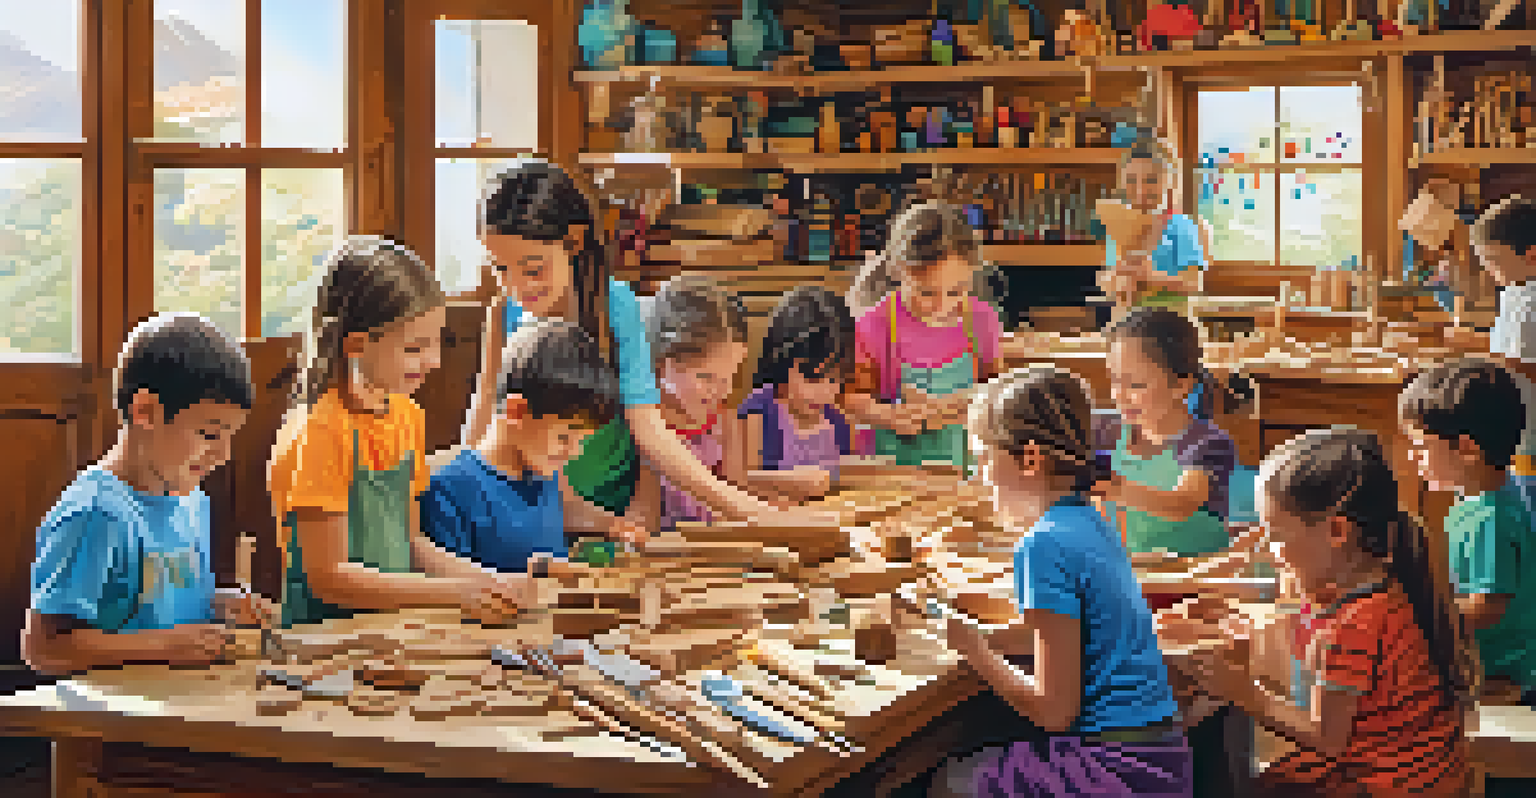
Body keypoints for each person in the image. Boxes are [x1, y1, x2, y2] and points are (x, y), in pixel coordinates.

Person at [462, 161, 791, 526]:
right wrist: (460, 490)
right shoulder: (503, 313)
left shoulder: (615, 305)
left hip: (616, 511)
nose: (517, 287)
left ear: (574, 242)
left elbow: (648, 427)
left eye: (533, 269)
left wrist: (750, 511)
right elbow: (483, 418)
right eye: (500, 268)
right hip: (541, 510)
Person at [929, 366, 1191, 798]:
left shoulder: (1043, 545)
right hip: (1160, 759)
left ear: (1030, 459)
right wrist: (984, 637)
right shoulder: (1090, 520)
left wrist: (977, 652)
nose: (980, 476)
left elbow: (1054, 712)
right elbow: (1068, 634)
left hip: (1115, 769)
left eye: (983, 458)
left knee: (950, 783)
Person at [1190, 427, 1475, 798]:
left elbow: (1326, 737)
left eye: (1275, 535)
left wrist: (1242, 690)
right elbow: (1295, 603)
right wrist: (1229, 610)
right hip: (1414, 776)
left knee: (1233, 774)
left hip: (1389, 786)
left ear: (1338, 531)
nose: (1270, 552)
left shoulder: (1357, 622)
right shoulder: (1377, 589)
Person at [268, 236, 528, 628]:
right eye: (414, 349)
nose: (433, 361)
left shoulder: (407, 417)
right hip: (321, 642)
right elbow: (329, 578)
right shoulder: (320, 430)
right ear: (356, 345)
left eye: (437, 343)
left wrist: (492, 582)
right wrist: (457, 595)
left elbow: (412, 545)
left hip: (390, 634)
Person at [24, 313, 271, 675]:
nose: (223, 455)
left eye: (230, 436)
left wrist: (219, 603)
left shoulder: (192, 500)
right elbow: (45, 647)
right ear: (145, 411)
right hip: (116, 709)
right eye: (209, 434)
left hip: (181, 698)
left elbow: (151, 602)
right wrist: (164, 646)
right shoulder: (96, 514)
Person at [420, 320, 646, 575]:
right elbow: (450, 588)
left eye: (582, 441)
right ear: (516, 412)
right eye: (564, 437)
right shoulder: (450, 491)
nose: (574, 452)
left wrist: (613, 525)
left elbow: (549, 518)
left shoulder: (542, 472)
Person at [1400, 358, 1536, 704]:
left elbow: (1486, 608)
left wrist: (1415, 615)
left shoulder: (1490, 518)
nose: (1414, 458)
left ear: (1467, 449)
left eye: (1421, 447)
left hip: (1501, 672)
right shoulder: (1480, 497)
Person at [845, 201, 1003, 472]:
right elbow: (850, 397)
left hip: (963, 467)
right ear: (898, 271)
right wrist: (888, 415)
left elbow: (996, 389)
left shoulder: (981, 321)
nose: (942, 305)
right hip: (893, 470)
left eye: (956, 291)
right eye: (926, 292)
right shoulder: (875, 325)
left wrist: (957, 403)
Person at [1094, 307, 1238, 564]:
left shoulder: (1207, 444)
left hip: (1197, 573)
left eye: (1136, 385)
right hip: (1130, 570)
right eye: (1115, 381)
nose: (1120, 395)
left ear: (1181, 386)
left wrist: (1113, 487)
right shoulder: (1106, 431)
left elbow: (1180, 504)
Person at [632, 276, 751, 532]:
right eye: (706, 377)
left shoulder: (723, 422)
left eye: (730, 377)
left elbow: (739, 503)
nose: (724, 391)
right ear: (663, 360)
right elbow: (644, 527)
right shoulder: (646, 428)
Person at [724, 286, 854, 506]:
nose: (825, 392)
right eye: (812, 378)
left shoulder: (837, 421)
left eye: (835, 379)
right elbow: (739, 484)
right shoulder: (758, 415)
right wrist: (791, 484)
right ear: (782, 362)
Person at [1471, 196, 1536, 519]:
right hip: (1514, 426)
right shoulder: (1515, 290)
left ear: (1531, 256)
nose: (1489, 270)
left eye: (1494, 260)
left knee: (1528, 510)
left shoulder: (1531, 301)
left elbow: (1524, 363)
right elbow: (1509, 347)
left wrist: (1488, 361)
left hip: (1530, 433)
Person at [1098, 141, 1207, 309]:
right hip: (1126, 319)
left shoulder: (1182, 227)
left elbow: (1194, 285)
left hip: (1171, 320)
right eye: (1132, 180)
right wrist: (1111, 281)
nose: (1140, 191)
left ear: (1169, 182)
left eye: (1151, 180)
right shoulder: (1119, 227)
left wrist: (1150, 277)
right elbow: (1109, 284)